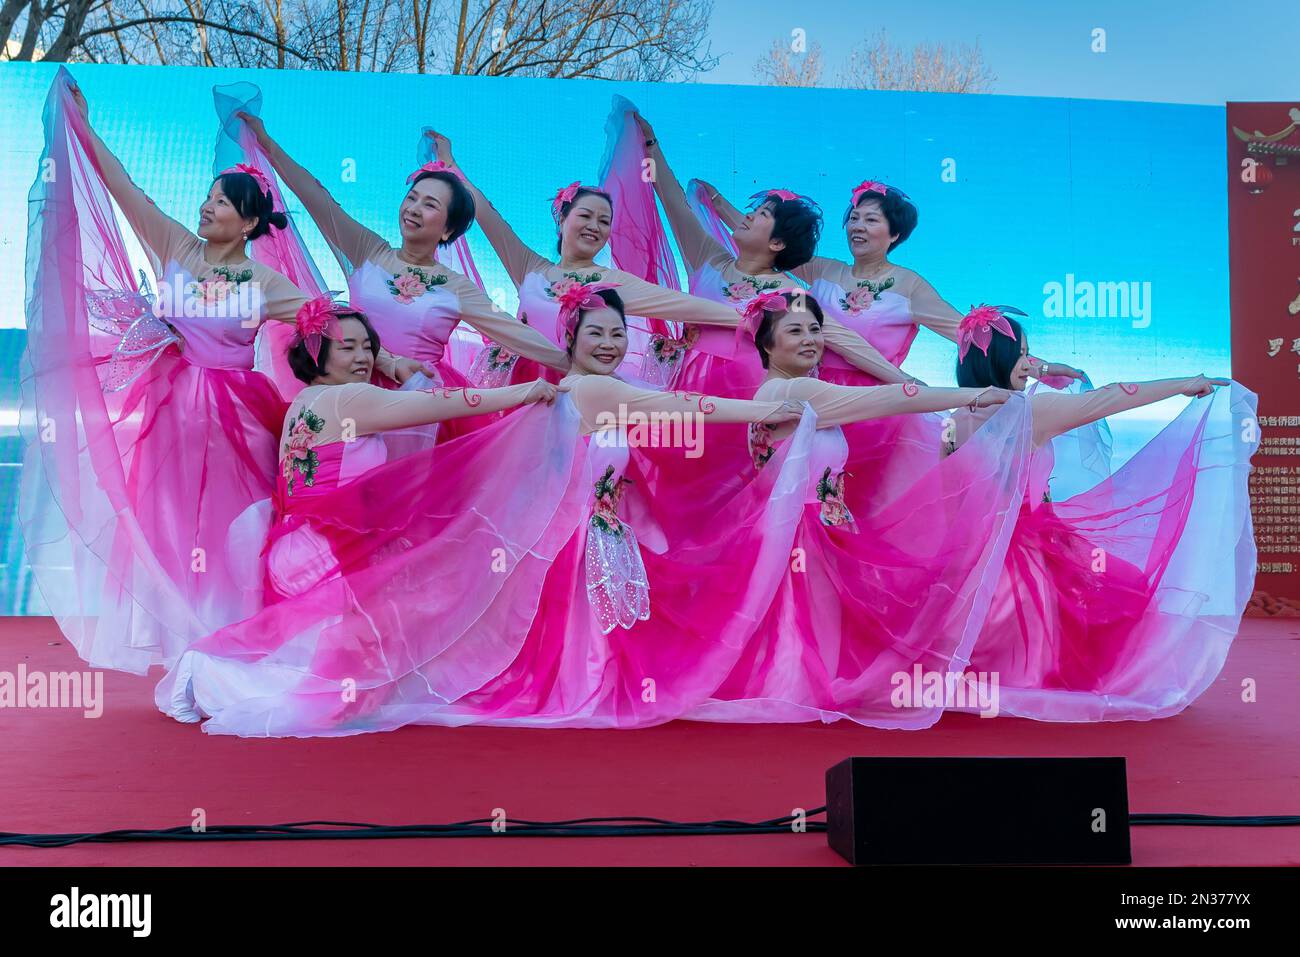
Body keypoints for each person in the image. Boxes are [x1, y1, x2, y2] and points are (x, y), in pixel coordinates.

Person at [23, 70, 318, 674]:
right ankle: (189, 647)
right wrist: (84, 124)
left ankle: (242, 642)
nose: (207, 207)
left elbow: (323, 320)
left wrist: (383, 360)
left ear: (250, 222)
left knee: (242, 527)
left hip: (239, 416)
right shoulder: (176, 248)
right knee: (173, 529)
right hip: (172, 408)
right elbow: (122, 186)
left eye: (221, 203)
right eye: (207, 198)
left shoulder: (266, 281)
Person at [945, 306, 1257, 720]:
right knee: (1121, 591)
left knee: (988, 637)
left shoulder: (953, 420)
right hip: (1024, 552)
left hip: (968, 555)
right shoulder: (1029, 412)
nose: (1028, 365)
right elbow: (1109, 397)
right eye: (1021, 355)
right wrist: (1185, 384)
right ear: (1000, 359)